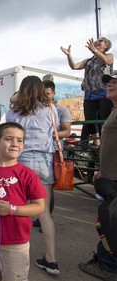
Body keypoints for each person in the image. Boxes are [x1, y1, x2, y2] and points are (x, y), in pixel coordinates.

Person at [0, 122, 46, 280]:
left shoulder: (28, 175)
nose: (15, 143)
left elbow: (39, 207)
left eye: (19, 140)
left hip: (16, 244)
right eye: (9, 139)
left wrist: (13, 209)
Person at [6, 75, 60, 274]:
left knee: (20, 209)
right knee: (43, 212)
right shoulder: (51, 110)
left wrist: (18, 95)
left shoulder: (14, 113)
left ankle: (16, 255)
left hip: (23, 162)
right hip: (45, 161)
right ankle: (51, 259)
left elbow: (12, 102)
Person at [78, 71, 117, 280]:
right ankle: (104, 261)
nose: (109, 85)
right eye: (108, 82)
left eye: (114, 82)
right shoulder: (113, 109)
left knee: (109, 223)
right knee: (107, 221)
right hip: (110, 176)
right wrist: (102, 169)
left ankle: (108, 266)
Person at [61, 37, 114, 146]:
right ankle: (96, 141)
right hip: (89, 94)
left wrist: (94, 50)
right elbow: (74, 66)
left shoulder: (109, 56)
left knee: (104, 119)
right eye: (97, 41)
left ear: (106, 46)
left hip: (103, 93)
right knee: (89, 120)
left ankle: (106, 141)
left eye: (101, 41)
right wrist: (69, 56)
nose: (97, 42)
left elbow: (106, 61)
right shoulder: (89, 60)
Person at [33, 80, 72, 228]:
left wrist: (48, 135)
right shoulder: (37, 109)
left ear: (54, 93)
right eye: (42, 93)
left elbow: (67, 131)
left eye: (48, 93)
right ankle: (42, 217)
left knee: (49, 188)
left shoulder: (62, 110)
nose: (45, 96)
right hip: (40, 151)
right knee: (40, 186)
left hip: (55, 151)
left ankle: (47, 218)